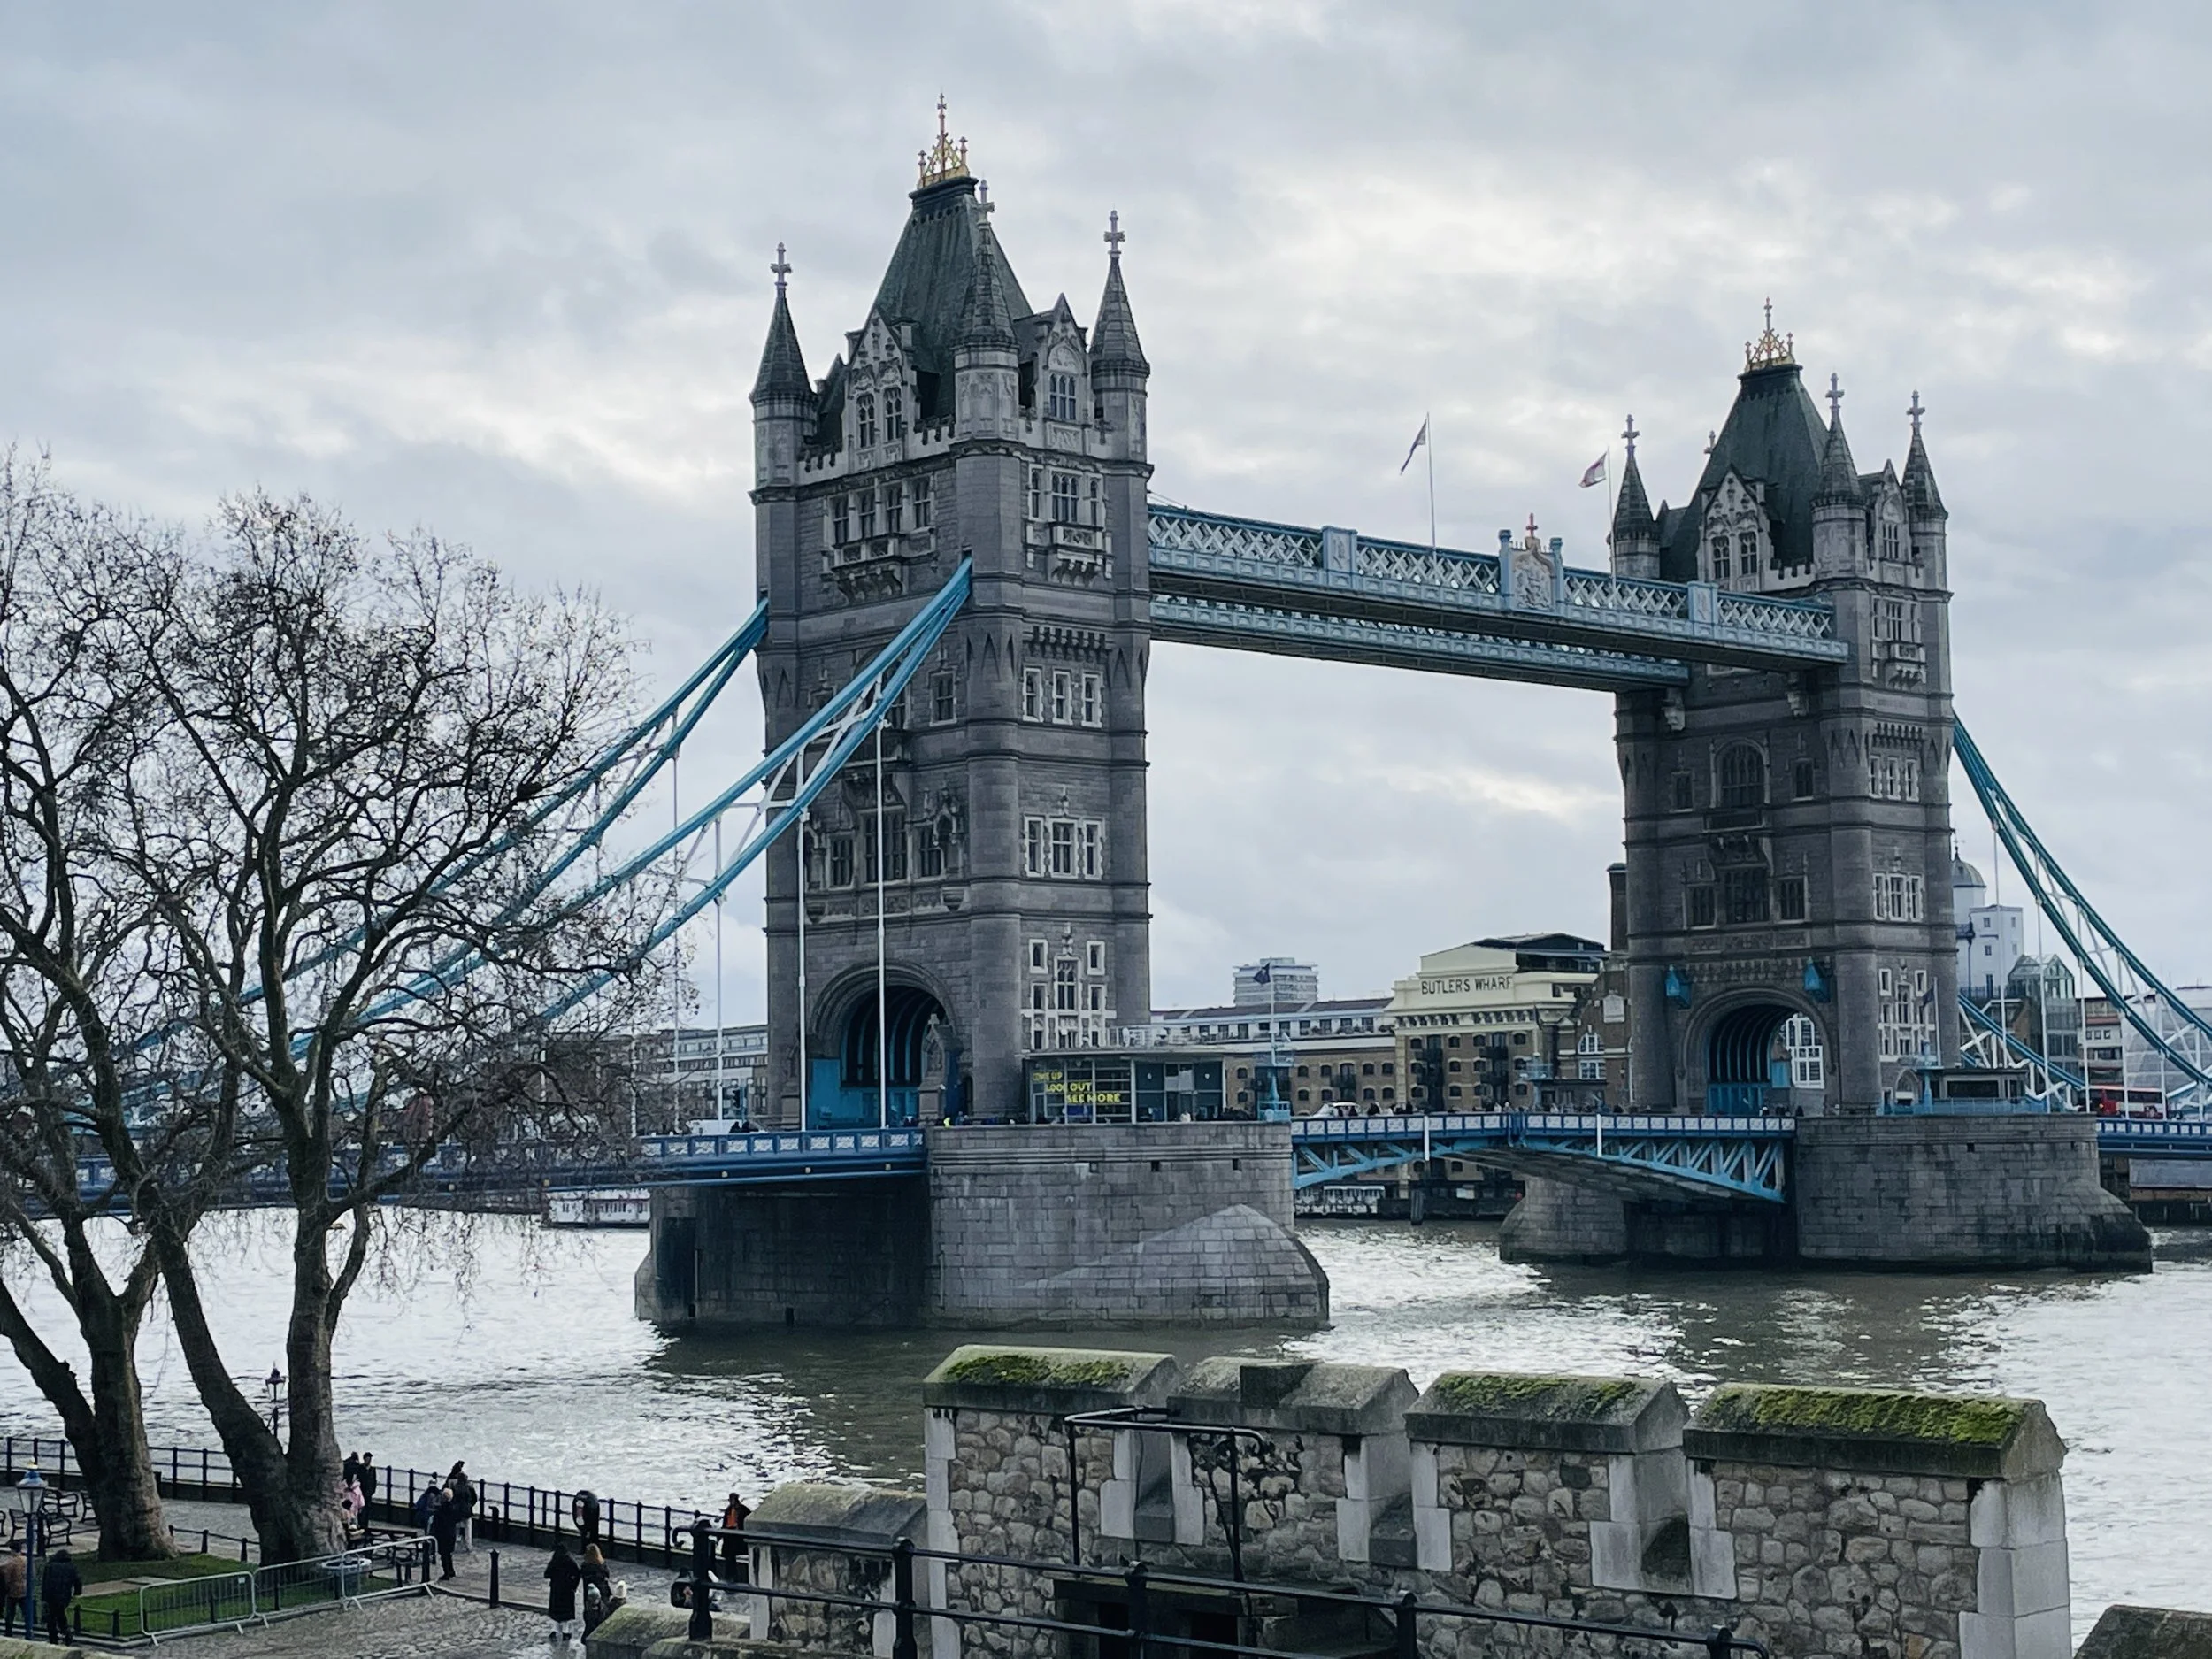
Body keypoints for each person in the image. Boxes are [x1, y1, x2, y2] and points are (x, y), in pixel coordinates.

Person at [39, 1548, 81, 1646]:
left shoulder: (50, 1566)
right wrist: (77, 1592)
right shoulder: (71, 1567)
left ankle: (54, 1637)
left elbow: (45, 1583)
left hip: (51, 1596)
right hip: (64, 1596)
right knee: (60, 1614)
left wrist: (44, 1597)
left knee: (52, 1618)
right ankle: (66, 1632)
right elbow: (77, 1580)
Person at [544, 1541, 582, 1645]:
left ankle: (555, 1631)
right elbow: (578, 1574)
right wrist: (574, 1586)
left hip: (556, 1590)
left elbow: (546, 1574)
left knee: (556, 1613)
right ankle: (566, 1632)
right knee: (566, 1614)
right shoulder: (570, 1560)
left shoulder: (554, 1561)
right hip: (567, 1590)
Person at [579, 1543, 618, 1635]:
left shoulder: (585, 1567)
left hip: (590, 1594)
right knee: (602, 1613)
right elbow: (607, 1575)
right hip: (604, 1592)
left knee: (590, 1615)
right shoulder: (602, 1565)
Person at [718, 1491, 750, 1585]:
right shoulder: (728, 1510)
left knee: (732, 1555)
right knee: (729, 1557)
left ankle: (733, 1576)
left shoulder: (743, 1510)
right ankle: (729, 1575)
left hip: (737, 1536)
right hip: (729, 1535)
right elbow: (724, 1524)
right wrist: (720, 1536)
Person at [428, 1486, 459, 1581]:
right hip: (451, 1533)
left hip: (443, 1534)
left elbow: (437, 1523)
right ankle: (451, 1571)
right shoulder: (453, 1508)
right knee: (448, 1554)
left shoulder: (441, 1510)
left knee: (444, 1554)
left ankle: (447, 1573)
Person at [0, 1540, 28, 1640]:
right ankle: (29, 1630)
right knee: (26, 1612)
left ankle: (8, 1632)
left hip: (13, 1591)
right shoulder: (26, 1560)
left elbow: (6, 1576)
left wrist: (6, 1588)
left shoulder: (11, 1563)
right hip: (25, 1589)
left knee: (10, 1613)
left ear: (12, 1550)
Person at [447, 1461, 477, 1555]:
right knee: (468, 1529)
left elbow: (452, 1499)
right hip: (467, 1511)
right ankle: (468, 1546)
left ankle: (454, 1544)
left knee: (456, 1529)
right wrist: (470, 1505)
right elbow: (474, 1498)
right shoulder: (469, 1488)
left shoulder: (455, 1488)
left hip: (457, 1511)